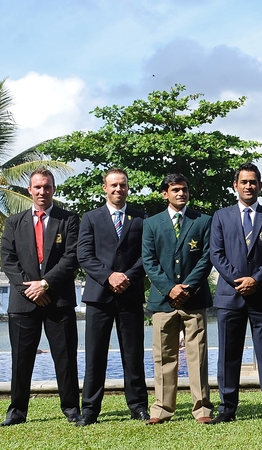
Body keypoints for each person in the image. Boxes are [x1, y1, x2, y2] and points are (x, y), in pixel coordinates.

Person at [0, 167, 81, 426]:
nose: (42, 191)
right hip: (23, 303)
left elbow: (72, 257)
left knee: (66, 357)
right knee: (21, 360)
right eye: (38, 187)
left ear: (54, 189)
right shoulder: (14, 222)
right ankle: (16, 412)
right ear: (30, 190)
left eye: (47, 187)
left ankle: (71, 409)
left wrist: (45, 285)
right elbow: (8, 260)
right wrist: (30, 290)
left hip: (58, 299)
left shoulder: (69, 220)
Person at [75, 168, 149, 426]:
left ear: (128, 187)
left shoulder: (140, 218)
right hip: (99, 296)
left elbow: (146, 256)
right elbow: (84, 255)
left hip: (129, 294)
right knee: (95, 355)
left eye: (123, 185)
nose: (119, 189)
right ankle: (90, 410)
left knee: (133, 353)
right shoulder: (91, 218)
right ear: (104, 188)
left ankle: (138, 406)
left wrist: (126, 277)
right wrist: (109, 277)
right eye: (114, 185)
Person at [142, 173, 214, 424]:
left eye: (184, 189)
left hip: (194, 299)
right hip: (163, 301)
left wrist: (187, 287)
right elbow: (149, 262)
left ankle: (202, 408)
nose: (181, 193)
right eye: (175, 190)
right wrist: (170, 288)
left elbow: (207, 258)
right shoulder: (151, 223)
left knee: (198, 355)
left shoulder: (203, 221)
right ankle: (162, 409)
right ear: (165, 193)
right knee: (163, 357)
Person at [208, 162, 262, 424]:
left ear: (260, 185)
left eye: (253, 182)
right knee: (228, 354)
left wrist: (256, 280)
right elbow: (216, 254)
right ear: (235, 185)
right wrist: (240, 280)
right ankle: (227, 408)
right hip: (230, 295)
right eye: (244, 182)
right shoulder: (221, 216)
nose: (249, 186)